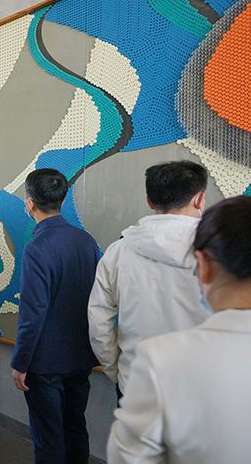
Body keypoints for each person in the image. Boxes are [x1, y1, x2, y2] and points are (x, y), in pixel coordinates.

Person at [107, 196, 251, 463]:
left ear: (204, 265)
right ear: (199, 198)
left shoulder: (159, 360)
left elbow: (129, 458)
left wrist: (112, 368)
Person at [88, 161, 211, 399]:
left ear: (149, 201)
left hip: (136, 385)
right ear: (199, 200)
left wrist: (116, 371)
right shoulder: (223, 254)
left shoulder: (118, 251)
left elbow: (99, 322)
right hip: (203, 394)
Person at [11, 168, 100, 464]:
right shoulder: (86, 240)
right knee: (75, 429)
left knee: (48, 438)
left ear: (29, 203)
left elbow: (33, 313)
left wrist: (21, 362)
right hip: (81, 356)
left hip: (45, 362)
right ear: (62, 200)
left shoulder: (37, 247)